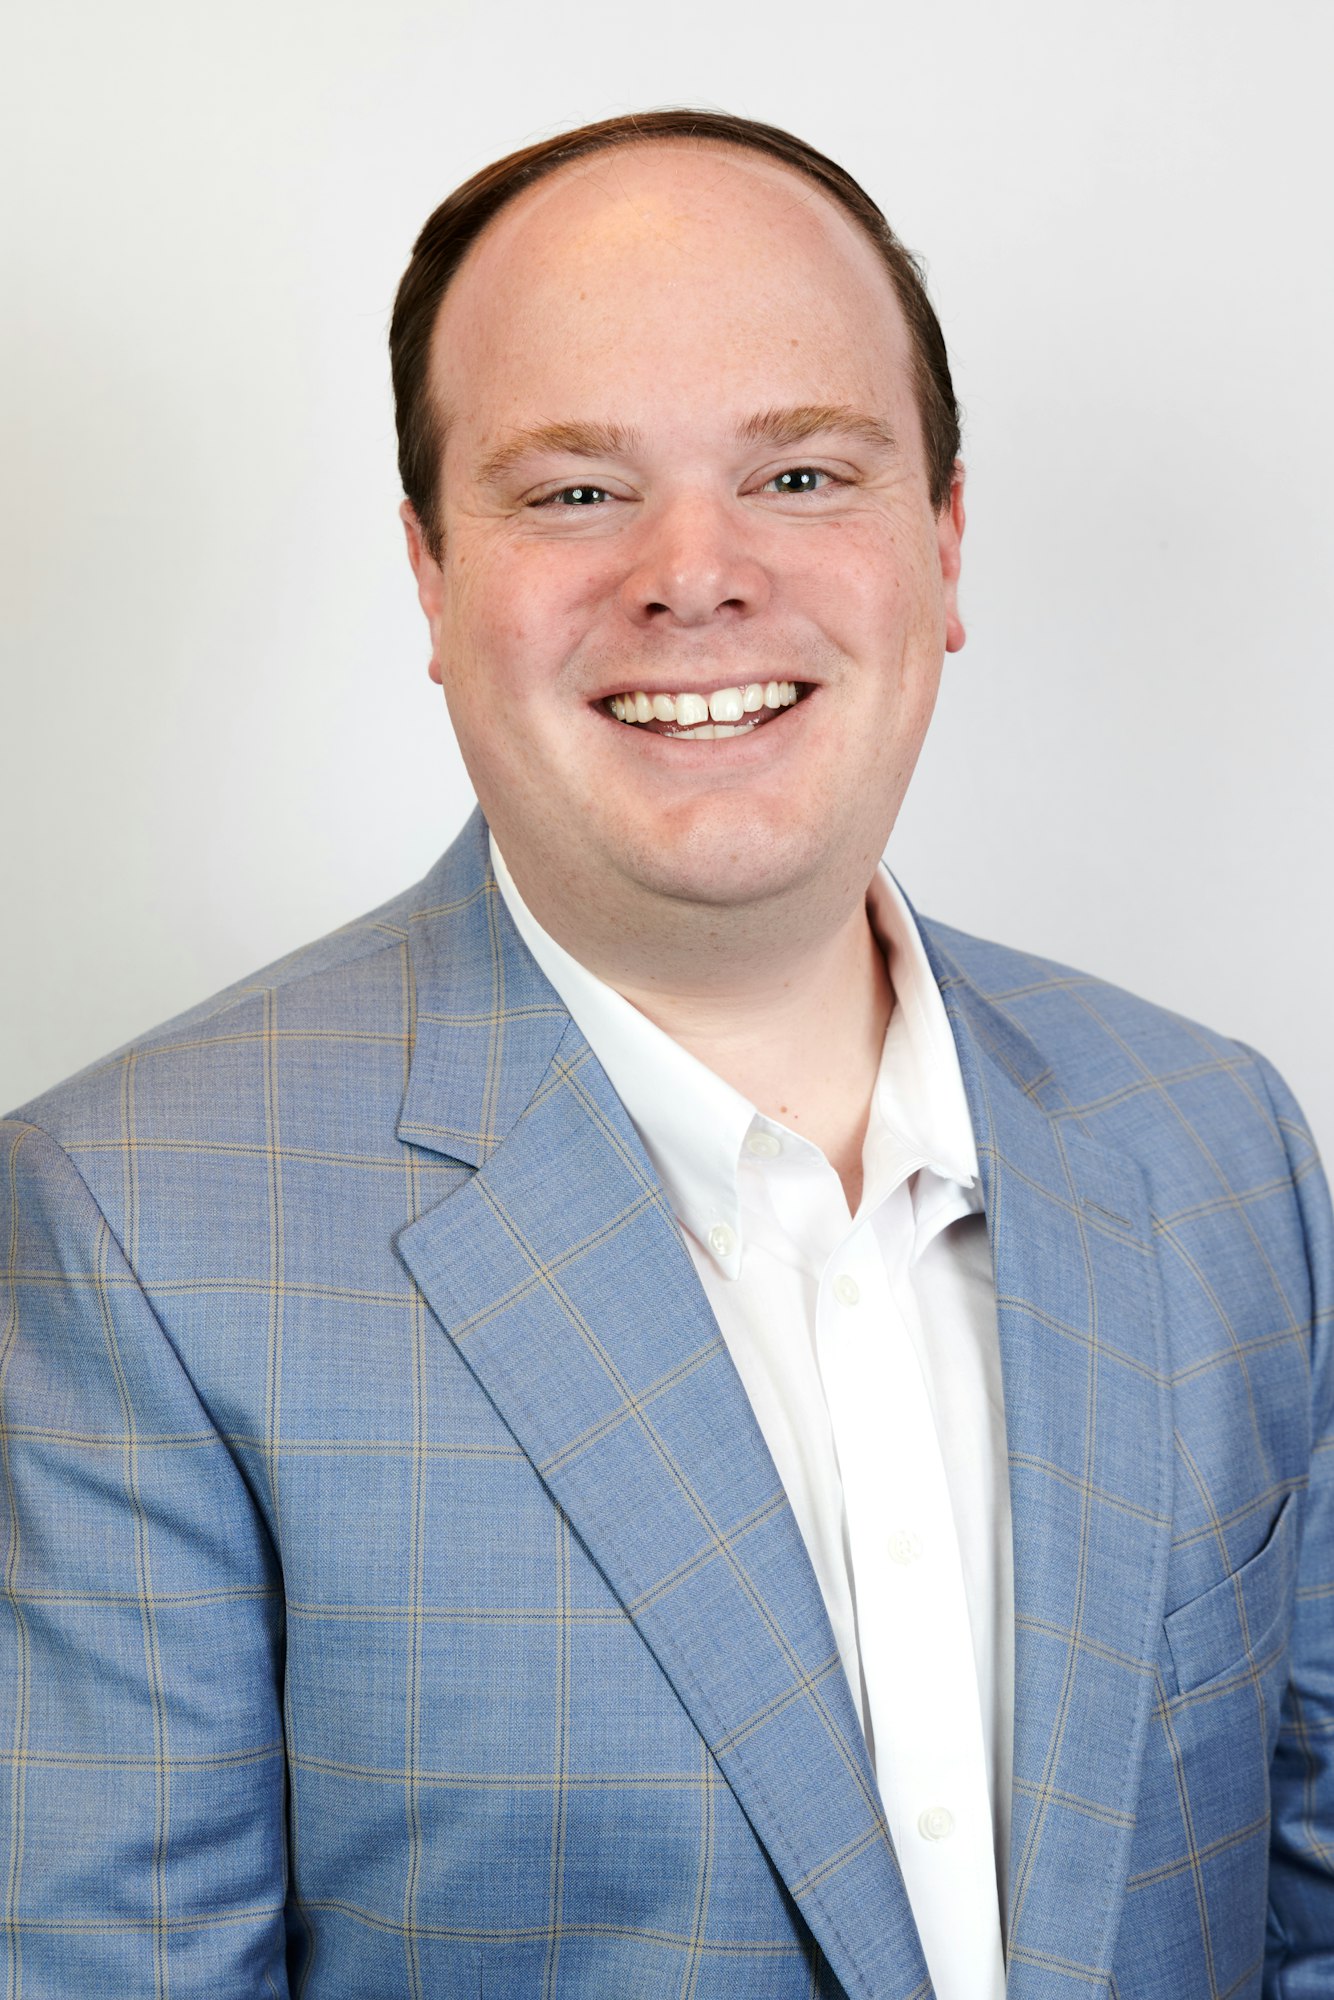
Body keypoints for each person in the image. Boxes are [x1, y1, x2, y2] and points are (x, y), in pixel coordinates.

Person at [2, 108, 1329, 2000]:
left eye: (800, 472)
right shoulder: (130, 1233)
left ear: (941, 544)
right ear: (431, 578)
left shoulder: (1220, 1150)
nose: (694, 574)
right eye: (570, 492)